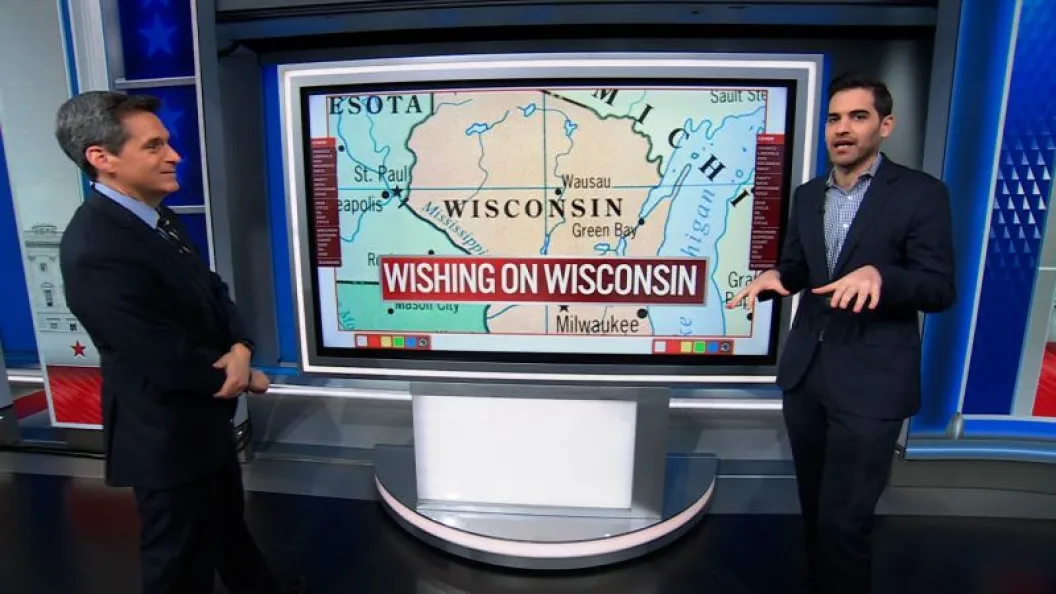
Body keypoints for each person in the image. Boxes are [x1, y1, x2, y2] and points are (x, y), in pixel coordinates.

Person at [56, 91, 307, 594]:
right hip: (163, 434)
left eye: (168, 143)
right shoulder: (95, 247)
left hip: (203, 420)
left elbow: (212, 289)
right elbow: (158, 352)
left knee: (225, 526)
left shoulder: (157, 217)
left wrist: (241, 346)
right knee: (178, 561)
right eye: (154, 146)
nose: (174, 155)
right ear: (102, 158)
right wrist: (240, 376)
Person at [728, 72, 955, 593]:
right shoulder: (810, 195)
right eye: (834, 118)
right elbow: (800, 267)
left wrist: (883, 277)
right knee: (815, 512)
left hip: (873, 383)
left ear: (885, 125)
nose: (842, 128)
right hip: (808, 378)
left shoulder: (921, 195)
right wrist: (777, 277)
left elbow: (939, 289)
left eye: (858, 116)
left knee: (844, 523)